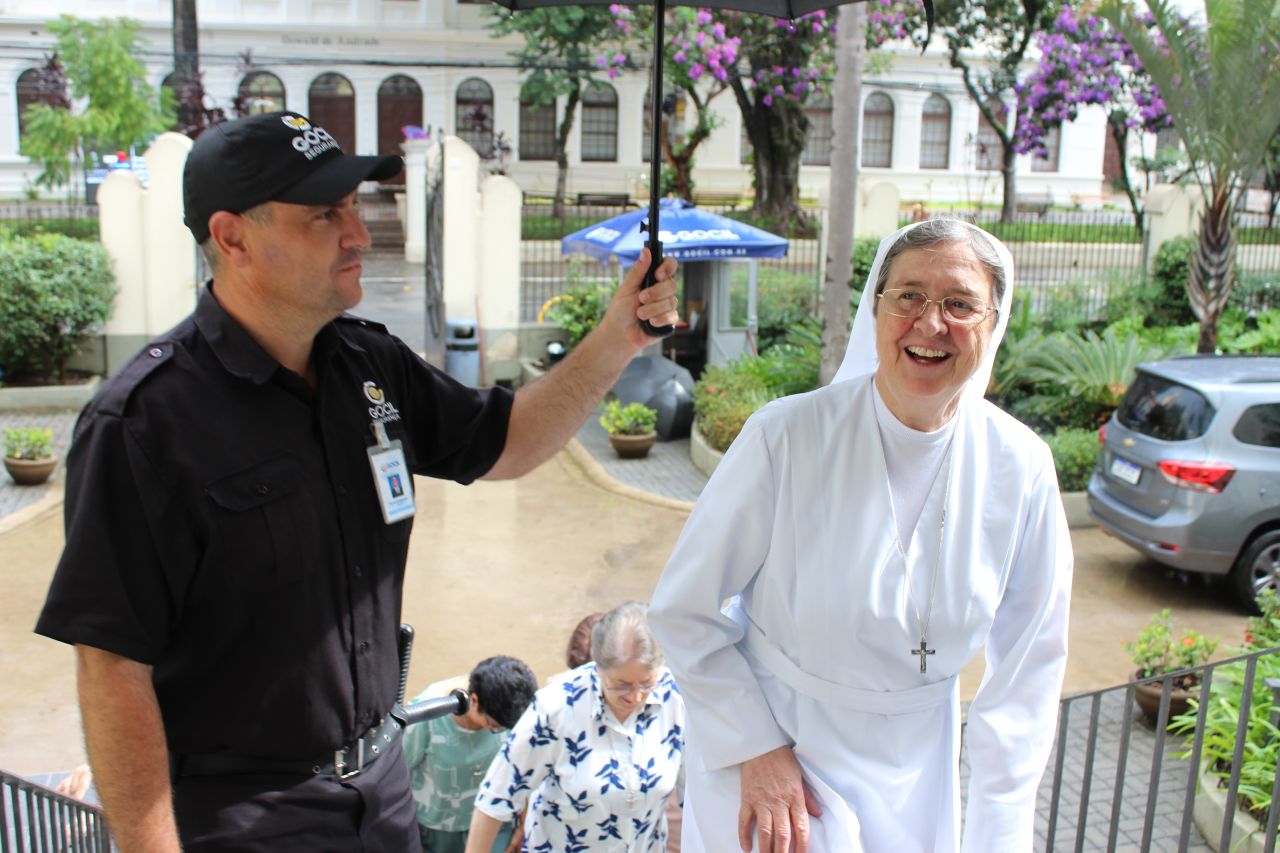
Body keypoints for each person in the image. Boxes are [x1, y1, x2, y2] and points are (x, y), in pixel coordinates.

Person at [33, 110, 678, 852]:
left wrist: (619, 336)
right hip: (249, 819)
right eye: (325, 215)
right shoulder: (144, 423)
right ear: (232, 236)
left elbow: (508, 442)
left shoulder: (370, 367)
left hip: (383, 793)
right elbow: (113, 666)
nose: (361, 233)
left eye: (355, 207)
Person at [648, 218, 1073, 852]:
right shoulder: (786, 436)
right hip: (779, 765)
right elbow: (684, 611)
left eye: (960, 304)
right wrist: (756, 748)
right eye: (909, 296)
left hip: (917, 777)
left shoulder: (1022, 465)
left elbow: (1027, 680)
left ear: (994, 322)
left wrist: (999, 834)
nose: (930, 325)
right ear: (876, 307)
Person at [465, 602, 686, 852]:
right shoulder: (556, 707)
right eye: (622, 685)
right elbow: (494, 799)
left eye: (646, 683)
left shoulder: (675, 697)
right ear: (598, 668)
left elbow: (696, 792)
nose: (635, 697)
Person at [403, 656, 537, 853]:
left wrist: (524, 823)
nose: (502, 732)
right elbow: (396, 775)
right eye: (494, 727)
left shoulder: (514, 709)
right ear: (474, 701)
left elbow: (525, 766)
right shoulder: (426, 715)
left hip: (496, 819)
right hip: (440, 829)